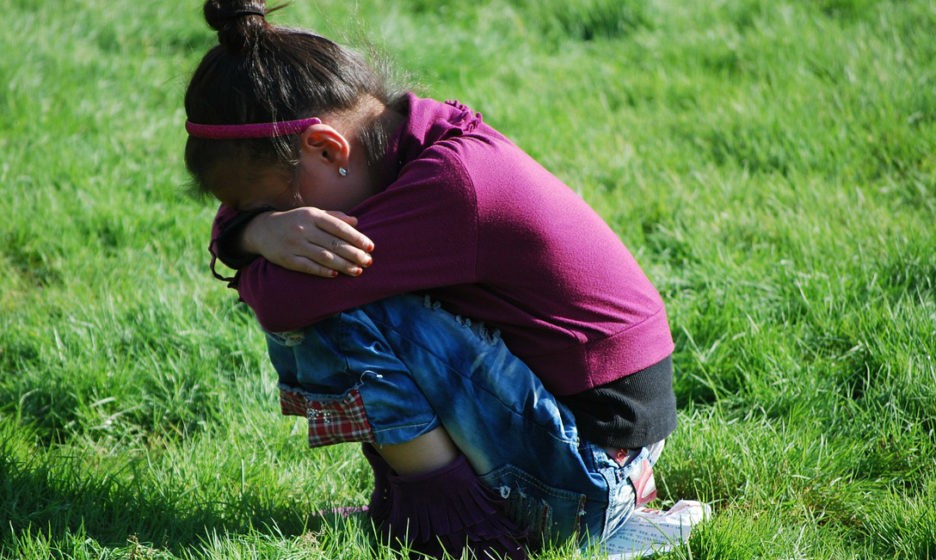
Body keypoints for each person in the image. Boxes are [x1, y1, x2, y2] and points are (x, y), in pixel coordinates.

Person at [184, 1, 678, 558]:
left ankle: (457, 526)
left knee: (333, 305)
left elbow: (282, 301)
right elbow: (243, 240)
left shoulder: (453, 186)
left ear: (326, 148)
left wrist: (249, 243)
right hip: (599, 450)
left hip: (589, 476)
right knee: (331, 279)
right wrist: (257, 231)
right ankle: (430, 503)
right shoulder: (410, 137)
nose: (285, 225)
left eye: (272, 205)